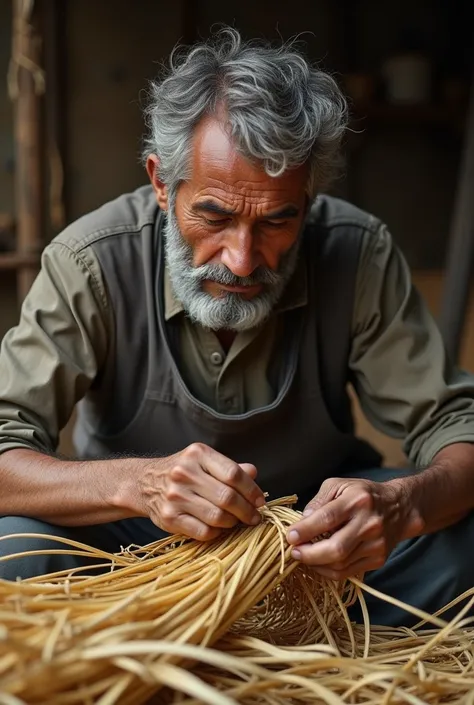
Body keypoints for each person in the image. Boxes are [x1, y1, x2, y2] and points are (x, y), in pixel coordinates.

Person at [1, 28, 474, 627]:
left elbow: (457, 427)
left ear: (308, 197)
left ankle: (322, 638)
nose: (243, 260)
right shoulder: (92, 260)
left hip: (316, 554)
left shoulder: (356, 252)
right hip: (134, 554)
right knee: (16, 549)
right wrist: (138, 483)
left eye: (279, 221)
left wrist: (402, 506)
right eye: (214, 216)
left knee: (462, 538)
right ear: (160, 183)